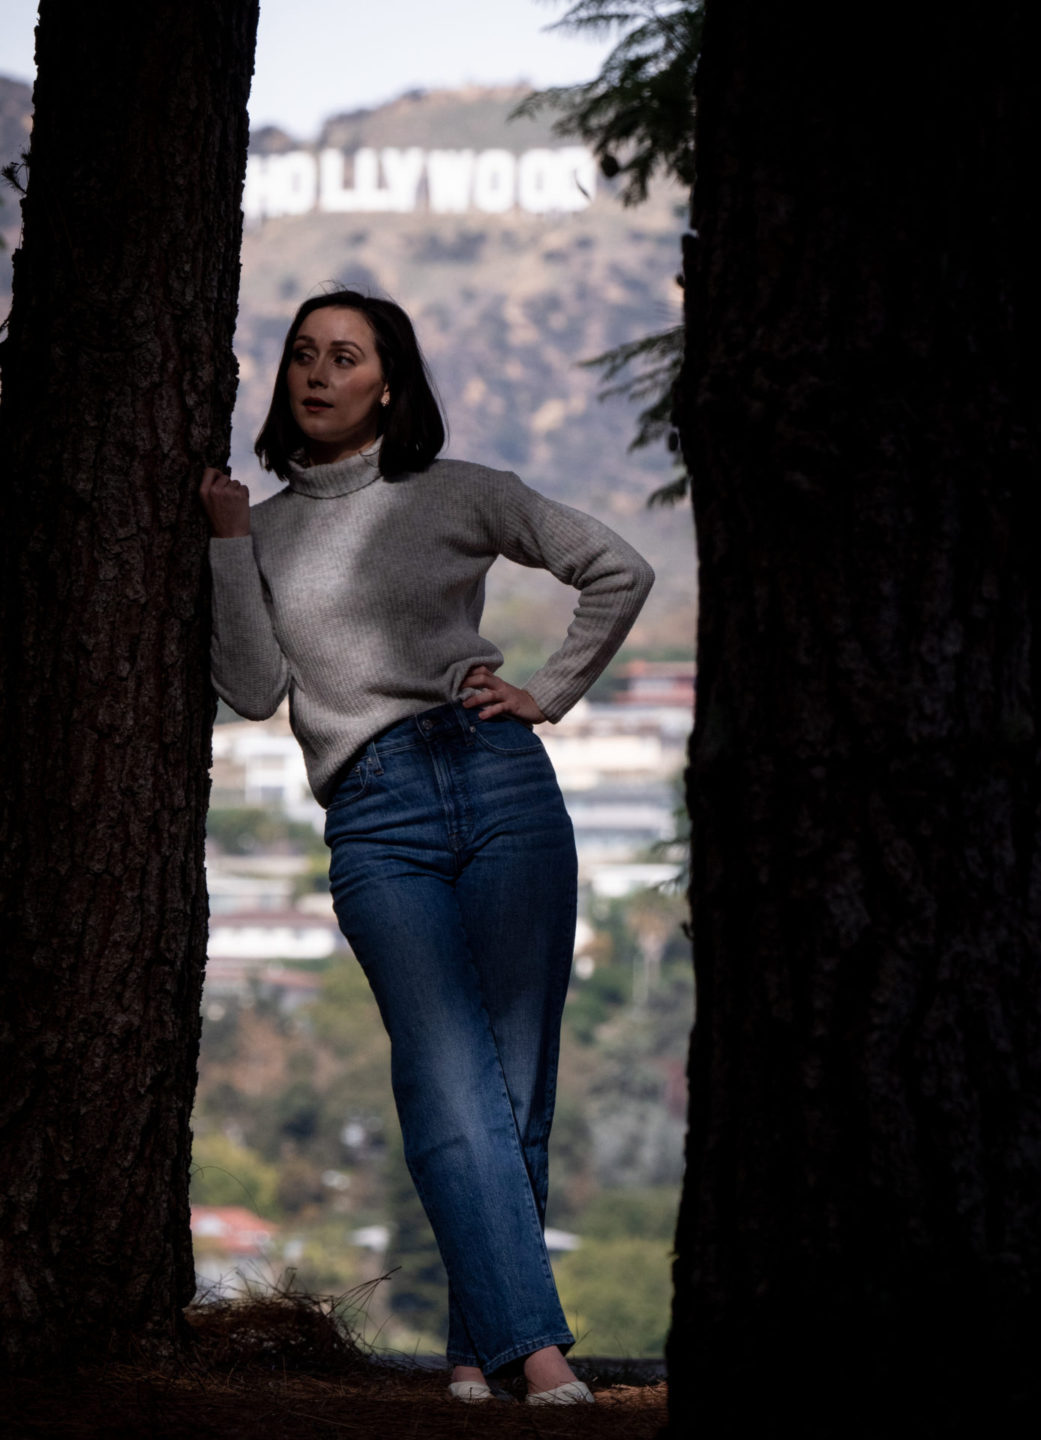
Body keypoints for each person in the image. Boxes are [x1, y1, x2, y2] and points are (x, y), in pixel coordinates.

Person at [200, 290, 653, 1405]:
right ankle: (540, 1361)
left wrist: (546, 693)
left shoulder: (463, 494)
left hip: (499, 783)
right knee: (447, 1076)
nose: (316, 373)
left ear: (388, 384)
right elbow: (255, 688)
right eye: (303, 354)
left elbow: (620, 569)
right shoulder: (265, 527)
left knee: (511, 1090)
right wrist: (224, 547)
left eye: (344, 357)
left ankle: (471, 1359)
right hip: (374, 815)